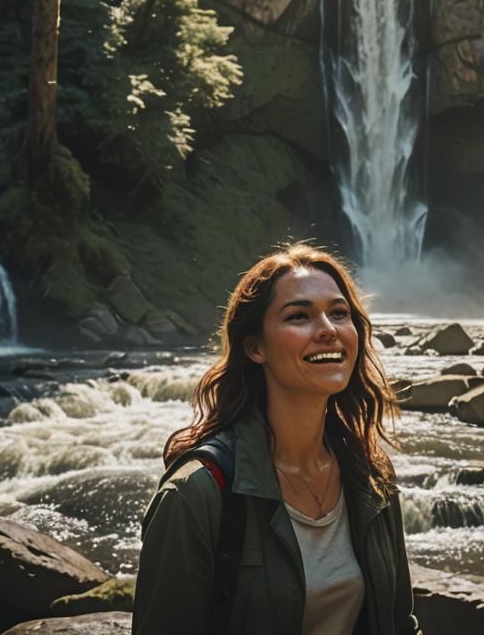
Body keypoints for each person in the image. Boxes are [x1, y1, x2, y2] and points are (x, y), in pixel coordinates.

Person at [132, 243, 421, 635]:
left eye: (339, 313)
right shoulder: (197, 494)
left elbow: (400, 624)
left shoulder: (371, 474)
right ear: (255, 347)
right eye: (299, 316)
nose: (328, 330)